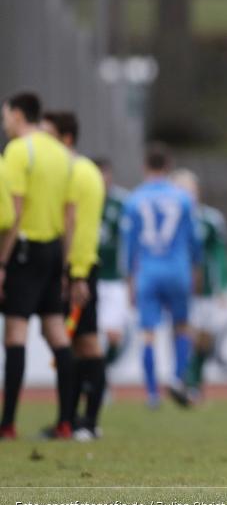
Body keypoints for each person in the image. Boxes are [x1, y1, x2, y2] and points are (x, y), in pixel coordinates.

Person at [0, 92, 77, 440]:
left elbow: (13, 213)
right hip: (53, 250)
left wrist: (2, 260)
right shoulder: (61, 153)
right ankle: (65, 420)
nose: (4, 122)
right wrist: (64, 262)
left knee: (15, 334)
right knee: (57, 334)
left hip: (25, 249)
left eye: (5, 115)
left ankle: (8, 424)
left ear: (18, 115)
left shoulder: (19, 150)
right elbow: (69, 214)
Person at [42, 112, 107, 441]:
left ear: (65, 138)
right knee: (78, 344)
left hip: (78, 268)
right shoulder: (84, 171)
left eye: (47, 134)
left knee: (85, 344)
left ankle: (84, 421)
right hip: (80, 267)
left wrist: (75, 274)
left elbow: (78, 229)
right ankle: (74, 420)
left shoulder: (75, 172)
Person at [121, 144, 200, 409]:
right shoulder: (183, 199)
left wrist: (129, 279)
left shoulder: (133, 200)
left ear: (145, 168)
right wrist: (196, 269)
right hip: (177, 270)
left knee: (148, 333)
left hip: (147, 272)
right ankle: (177, 378)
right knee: (182, 327)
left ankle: (152, 394)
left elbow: (129, 245)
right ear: (168, 167)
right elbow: (194, 240)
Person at [170, 169, 227, 402]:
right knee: (186, 333)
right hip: (180, 288)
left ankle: (193, 380)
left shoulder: (210, 219)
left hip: (204, 289)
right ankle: (183, 381)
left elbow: (220, 255)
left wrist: (222, 286)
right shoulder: (170, 220)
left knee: (206, 337)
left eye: (190, 189)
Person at [93, 158, 130, 369]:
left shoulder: (122, 203)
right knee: (87, 336)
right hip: (89, 276)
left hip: (114, 277)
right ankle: (92, 379)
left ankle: (102, 374)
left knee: (114, 335)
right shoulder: (83, 199)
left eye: (105, 174)